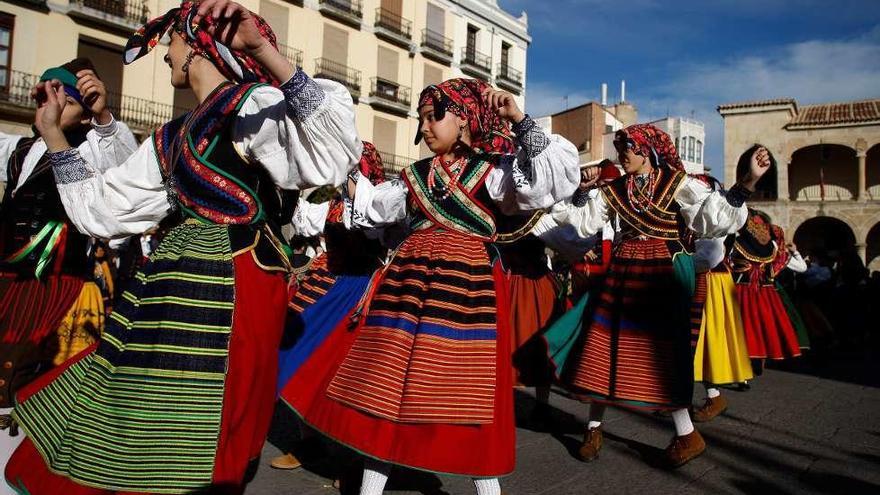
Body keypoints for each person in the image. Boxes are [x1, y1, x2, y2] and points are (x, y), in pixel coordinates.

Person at [4, 0, 360, 493]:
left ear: (194, 47)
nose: (166, 55)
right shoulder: (171, 137)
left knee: (212, 414)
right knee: (145, 402)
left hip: (234, 283)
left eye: (171, 42)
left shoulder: (251, 106)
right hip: (170, 285)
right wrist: (52, 136)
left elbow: (332, 154)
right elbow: (104, 210)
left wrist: (264, 52)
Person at [282, 78, 579, 495]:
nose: (423, 126)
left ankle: (486, 488)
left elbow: (549, 182)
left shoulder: (494, 171)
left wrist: (520, 121)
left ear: (463, 118)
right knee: (383, 387)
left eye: (432, 116)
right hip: (406, 286)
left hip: (464, 290)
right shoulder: (413, 176)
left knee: (461, 391)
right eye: (420, 118)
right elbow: (371, 208)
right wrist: (344, 167)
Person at [551, 124, 770, 467]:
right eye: (621, 146)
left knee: (661, 356)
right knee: (602, 347)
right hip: (623, 270)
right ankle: (593, 429)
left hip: (662, 273)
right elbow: (583, 222)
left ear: (648, 153)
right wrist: (581, 190)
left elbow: (712, 218)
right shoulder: (616, 190)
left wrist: (747, 182)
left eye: (630, 147)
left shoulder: (676, 184)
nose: (623, 153)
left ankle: (687, 435)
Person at [0, 58, 137, 494]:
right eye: (45, 91)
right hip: (8, 285)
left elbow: (129, 170)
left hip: (61, 289)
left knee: (40, 388)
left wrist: (103, 116)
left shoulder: (94, 147)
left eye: (61, 94)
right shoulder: (18, 149)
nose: (50, 99)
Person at [271, 142, 388, 471]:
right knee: (294, 357)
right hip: (326, 282)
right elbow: (307, 224)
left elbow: (380, 240)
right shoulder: (332, 197)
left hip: (358, 290)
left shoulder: (378, 201)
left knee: (339, 373)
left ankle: (349, 460)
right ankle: (306, 443)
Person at [690, 235, 754, 422]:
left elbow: (712, 256)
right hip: (703, 278)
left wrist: (681, 261)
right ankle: (679, 399)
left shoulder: (714, 221)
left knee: (704, 341)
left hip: (711, 281)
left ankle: (714, 397)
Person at [729, 210, 803, 368]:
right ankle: (761, 355)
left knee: (744, 324)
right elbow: (793, 265)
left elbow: (727, 263)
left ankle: (746, 359)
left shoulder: (735, 241)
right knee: (766, 323)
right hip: (766, 291)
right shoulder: (773, 246)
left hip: (742, 289)